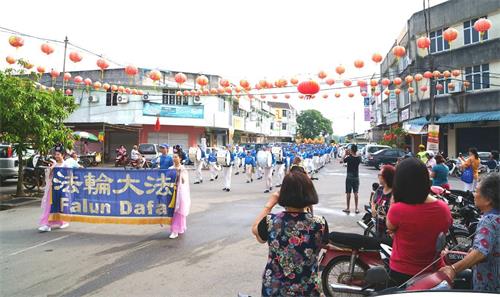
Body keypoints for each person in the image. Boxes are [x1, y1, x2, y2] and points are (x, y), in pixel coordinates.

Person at [251, 169, 329, 296]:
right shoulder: (320, 223)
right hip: (307, 289)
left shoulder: (271, 221)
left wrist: (269, 205)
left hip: (274, 289)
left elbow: (256, 232)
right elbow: (323, 243)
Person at [386, 158, 452, 286]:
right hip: (433, 271)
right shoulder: (443, 208)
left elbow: (390, 227)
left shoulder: (398, 209)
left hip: (402, 271)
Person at [440, 173, 499, 293]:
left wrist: (453, 268)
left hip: (488, 286)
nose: (473, 194)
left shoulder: (488, 221)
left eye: (477, 191)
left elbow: (480, 253)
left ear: (488, 200)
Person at [38, 145, 71, 232]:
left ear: (63, 155)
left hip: (62, 190)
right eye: (55, 154)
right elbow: (49, 177)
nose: (56, 156)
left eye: (58, 154)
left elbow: (70, 176)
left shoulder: (66, 165)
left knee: (60, 207)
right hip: (52, 190)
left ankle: (63, 221)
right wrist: (51, 169)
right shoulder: (54, 164)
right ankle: (46, 224)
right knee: (49, 207)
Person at [168, 153, 191, 239]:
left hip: (180, 193)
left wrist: (180, 174)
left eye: (176, 157)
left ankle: (175, 230)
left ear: (180, 158)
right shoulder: (170, 169)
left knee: (178, 211)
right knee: (173, 211)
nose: (174, 158)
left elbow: (184, 182)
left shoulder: (182, 169)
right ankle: (177, 228)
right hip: (171, 192)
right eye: (173, 157)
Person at [371, 165, 395, 238]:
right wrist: (373, 207)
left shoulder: (395, 193)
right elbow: (374, 200)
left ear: (386, 177)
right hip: (378, 228)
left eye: (379, 175)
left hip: (389, 233)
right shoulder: (380, 189)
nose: (378, 176)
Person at [342, 144, 361, 214]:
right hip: (356, 176)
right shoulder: (359, 158)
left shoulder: (349, 158)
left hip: (349, 176)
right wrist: (351, 153)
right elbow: (357, 156)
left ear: (351, 150)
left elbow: (342, 160)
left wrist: (345, 154)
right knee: (356, 193)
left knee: (348, 193)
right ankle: (356, 208)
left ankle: (348, 208)